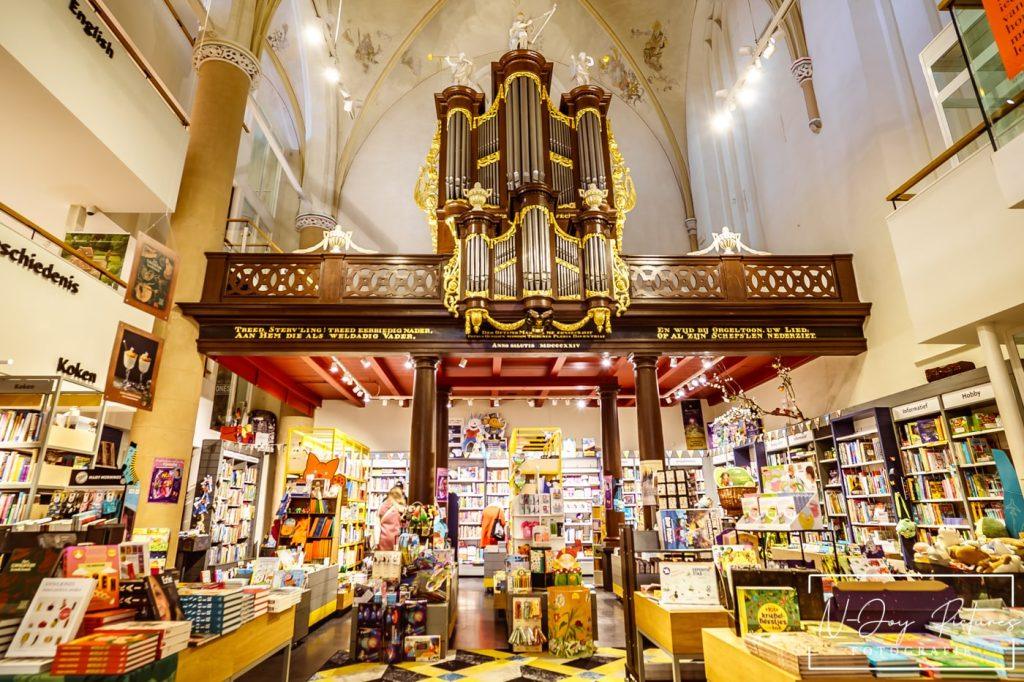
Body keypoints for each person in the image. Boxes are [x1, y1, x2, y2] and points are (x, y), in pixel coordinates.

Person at [377, 484, 406, 550]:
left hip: (383, 538)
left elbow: (377, 523)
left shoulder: (382, 505)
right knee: (395, 555)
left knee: (383, 555)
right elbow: (405, 524)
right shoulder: (400, 508)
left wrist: (376, 541)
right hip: (396, 538)